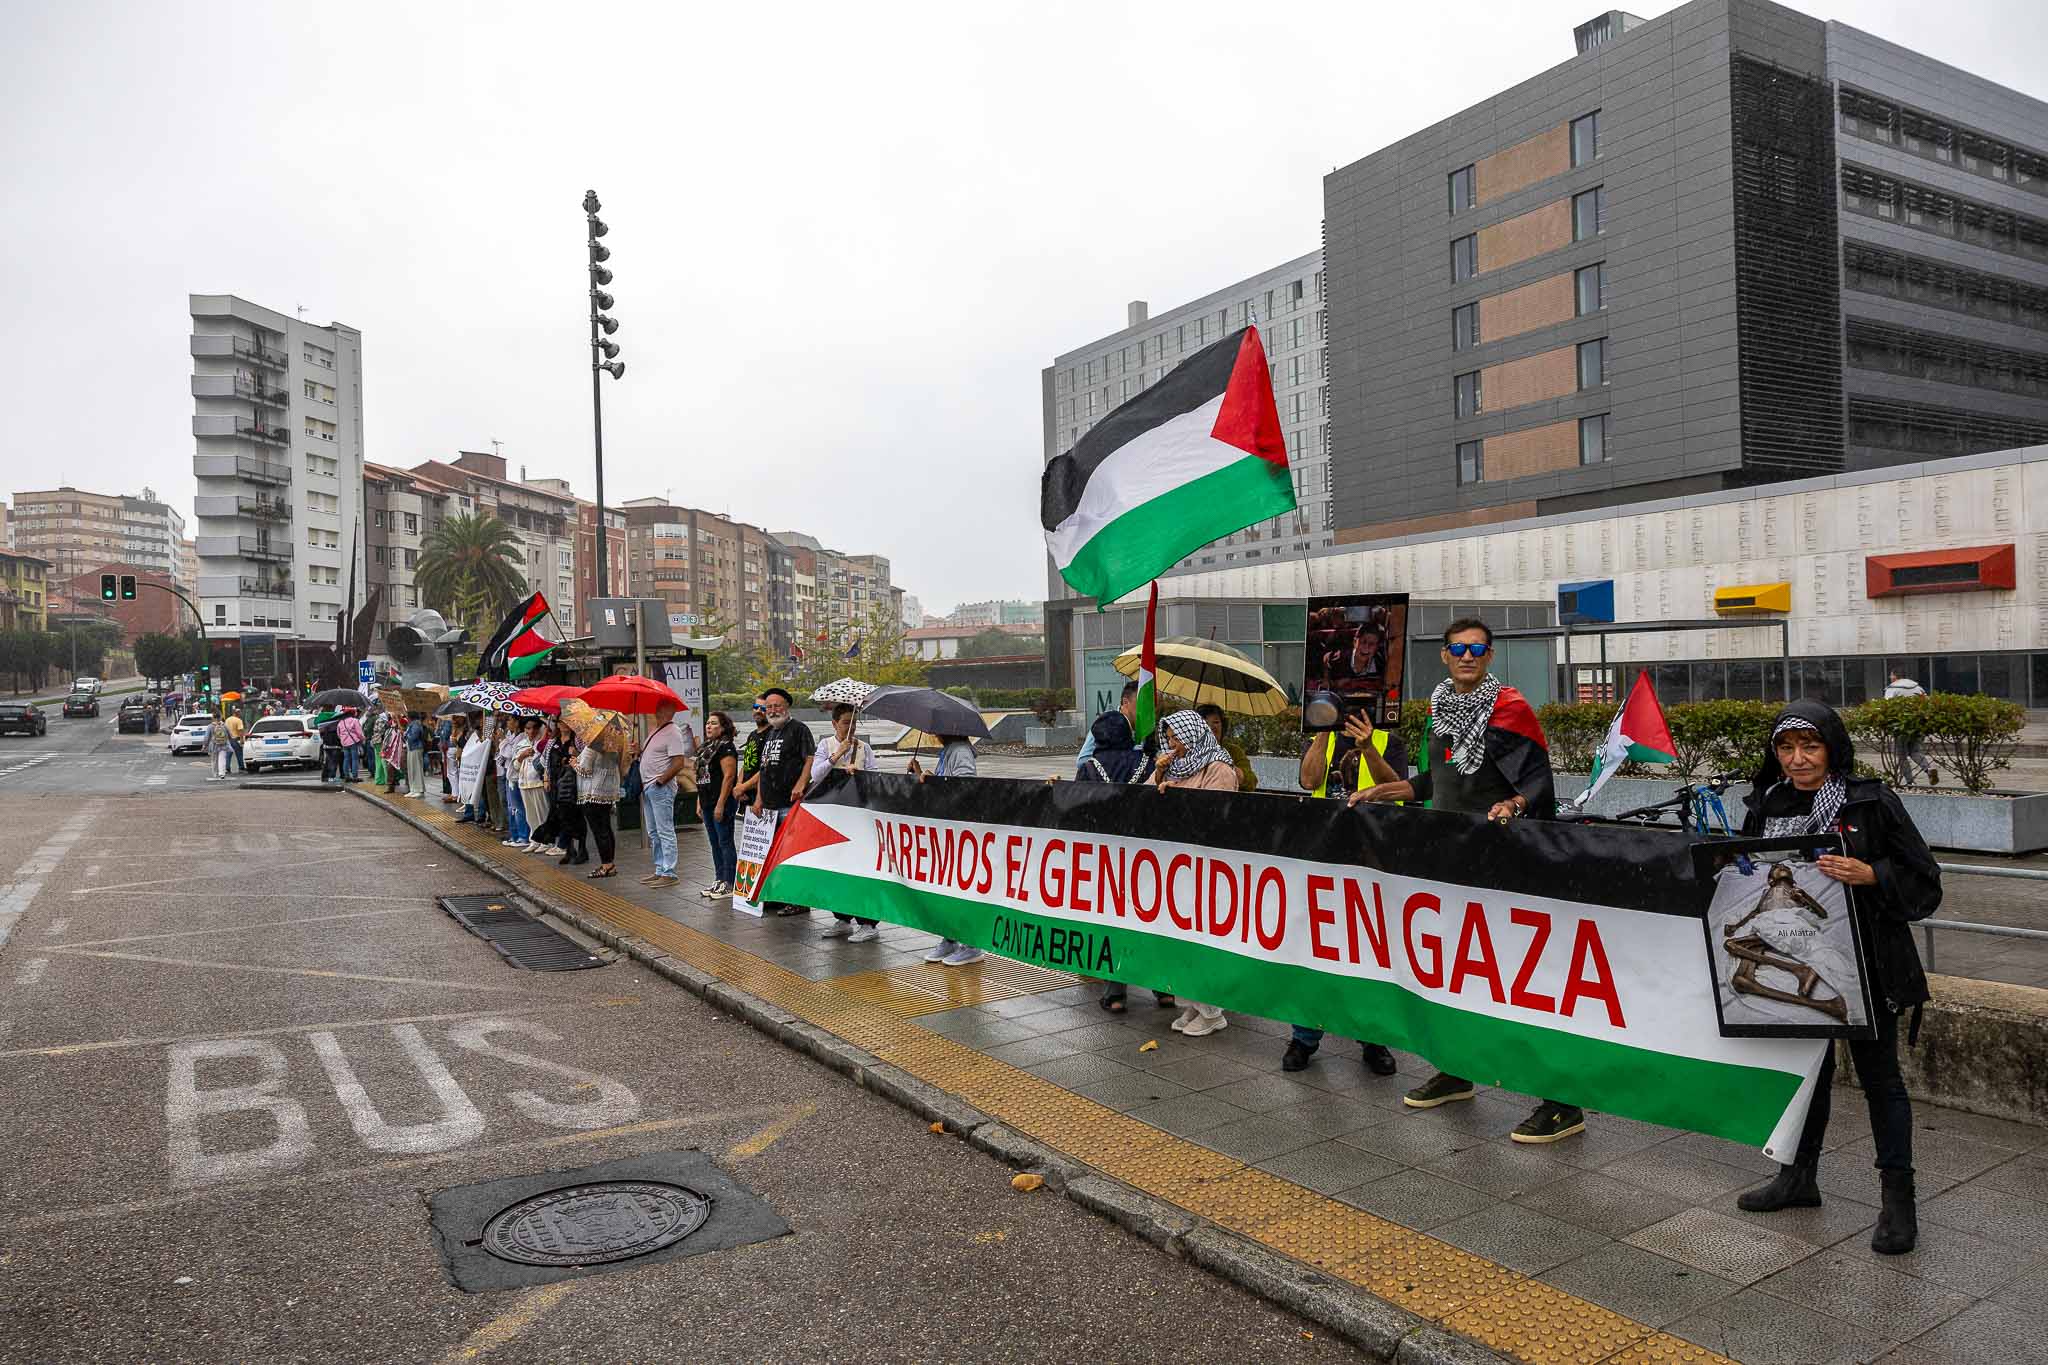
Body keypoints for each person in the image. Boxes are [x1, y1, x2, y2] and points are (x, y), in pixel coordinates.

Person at [1353, 618, 1582, 1143]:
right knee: (1458, 974)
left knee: (1526, 982)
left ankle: (1562, 1100)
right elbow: (1440, 782)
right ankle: (1458, 1071)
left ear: (1490, 655)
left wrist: (1515, 803)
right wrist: (1387, 793)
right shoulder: (1439, 709)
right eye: (1458, 647)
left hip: (1508, 865)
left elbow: (1539, 781)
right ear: (1443, 655)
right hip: (1454, 866)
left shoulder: (1510, 708)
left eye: (1477, 649)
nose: (1467, 655)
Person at [1733, 700, 1937, 1256]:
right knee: (1806, 1076)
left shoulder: (1869, 801)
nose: (1797, 760)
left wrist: (1872, 873)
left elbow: (1924, 877)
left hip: (1866, 963)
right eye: (1786, 748)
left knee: (1881, 1082)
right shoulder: (1767, 802)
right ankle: (1798, 1178)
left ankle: (1898, 1201)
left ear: (1832, 748)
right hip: (1791, 953)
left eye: (1810, 746)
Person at [1286, 702, 1404, 1077]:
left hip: (1373, 861)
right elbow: (1308, 780)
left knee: (1369, 953)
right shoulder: (1322, 738)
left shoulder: (1387, 740)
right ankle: (1304, 1037)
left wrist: (1367, 745)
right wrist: (1321, 733)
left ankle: (1373, 1038)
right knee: (1314, 951)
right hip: (1323, 857)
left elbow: (1397, 787)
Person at [1077, 693, 1174, 1016]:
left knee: (1113, 921)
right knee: (1151, 919)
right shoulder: (1149, 763)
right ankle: (1164, 989)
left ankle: (1115, 992)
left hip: (1107, 857)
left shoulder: (1090, 767)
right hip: (1146, 855)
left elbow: (1076, 809)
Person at [1151, 708, 1242, 1037]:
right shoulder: (1173, 767)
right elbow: (1142, 800)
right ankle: (1191, 1003)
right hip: (1178, 867)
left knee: (1202, 938)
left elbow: (1214, 815)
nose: (1173, 744)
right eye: (1170, 738)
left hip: (1208, 868)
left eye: (1178, 737)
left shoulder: (1219, 768)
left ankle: (1212, 1010)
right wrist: (1158, 777)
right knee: (1180, 939)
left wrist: (1177, 797)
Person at [914, 731, 987, 966]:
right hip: (948, 828)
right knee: (947, 886)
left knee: (960, 887)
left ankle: (972, 944)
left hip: (959, 829)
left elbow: (964, 787)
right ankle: (950, 938)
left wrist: (934, 781)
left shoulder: (960, 751)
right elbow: (945, 784)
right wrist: (922, 773)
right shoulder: (949, 751)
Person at [814, 704, 883, 942]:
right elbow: (816, 775)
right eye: (845, 722)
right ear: (834, 724)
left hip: (859, 817)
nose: (850, 727)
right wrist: (837, 755)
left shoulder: (864, 748)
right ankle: (842, 918)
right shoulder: (826, 745)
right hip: (834, 817)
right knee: (836, 868)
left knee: (861, 869)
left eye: (854, 723)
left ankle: (868, 922)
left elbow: (876, 778)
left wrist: (861, 775)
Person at [750, 688, 817, 916]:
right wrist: (758, 798)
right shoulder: (769, 734)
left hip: (790, 804)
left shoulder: (798, 729)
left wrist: (801, 783)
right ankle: (779, 896)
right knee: (773, 854)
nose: (772, 710)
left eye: (777, 705)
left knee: (792, 853)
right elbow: (763, 769)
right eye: (768, 707)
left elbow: (810, 757)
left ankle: (798, 899)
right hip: (768, 806)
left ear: (787, 707)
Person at [637, 697, 692, 889]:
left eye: (665, 706)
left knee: (664, 830)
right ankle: (660, 868)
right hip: (650, 786)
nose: (659, 709)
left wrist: (662, 780)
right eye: (660, 706)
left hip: (659, 786)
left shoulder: (673, 731)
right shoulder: (656, 731)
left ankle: (669, 871)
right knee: (654, 831)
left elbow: (678, 762)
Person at [695, 711, 739, 897]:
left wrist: (720, 804)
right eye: (707, 723)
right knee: (714, 842)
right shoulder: (706, 748)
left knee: (724, 841)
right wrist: (699, 801)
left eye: (713, 723)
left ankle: (730, 881)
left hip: (721, 802)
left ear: (723, 727)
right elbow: (701, 777)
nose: (708, 726)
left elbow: (729, 777)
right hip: (706, 801)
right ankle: (719, 878)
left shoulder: (726, 748)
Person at [576, 722, 623, 878]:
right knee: (606, 828)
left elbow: (585, 769)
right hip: (608, 792)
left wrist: (573, 764)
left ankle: (606, 866)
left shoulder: (592, 745)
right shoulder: (614, 745)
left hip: (592, 792)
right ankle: (610, 863)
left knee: (599, 830)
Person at [1883, 668, 1938, 785]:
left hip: (1901, 726)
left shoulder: (1892, 689)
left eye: (1891, 675)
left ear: (1895, 676)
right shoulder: (1918, 688)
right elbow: (1926, 703)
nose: (1890, 677)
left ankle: (1910, 782)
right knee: (1915, 751)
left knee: (1901, 756)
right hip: (1917, 725)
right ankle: (1928, 769)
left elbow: (1886, 707)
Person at [1196, 703, 1258, 792]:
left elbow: (1251, 782)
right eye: (1205, 723)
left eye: (1216, 722)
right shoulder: (1187, 750)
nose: (1210, 727)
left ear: (1223, 726)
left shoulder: (1234, 751)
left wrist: (1229, 768)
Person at [498, 715, 530, 849]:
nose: (507, 722)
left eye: (510, 720)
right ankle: (515, 835)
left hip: (516, 776)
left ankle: (523, 836)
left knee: (518, 807)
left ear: (517, 722)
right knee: (511, 807)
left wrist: (502, 740)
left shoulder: (522, 737)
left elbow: (511, 754)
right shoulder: (511, 735)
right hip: (509, 773)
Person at [404, 712, 429, 799]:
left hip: (416, 748)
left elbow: (413, 737)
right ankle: (413, 789)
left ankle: (419, 790)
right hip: (411, 748)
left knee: (417, 769)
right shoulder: (412, 724)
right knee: (412, 769)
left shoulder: (416, 724)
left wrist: (405, 734)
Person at [337, 708, 365, 784]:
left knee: (346, 759)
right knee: (354, 759)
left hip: (344, 743)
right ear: (352, 713)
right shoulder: (355, 721)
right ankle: (355, 776)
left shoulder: (341, 722)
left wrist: (343, 740)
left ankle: (346, 776)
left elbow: (339, 734)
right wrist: (362, 739)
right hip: (353, 742)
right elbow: (359, 733)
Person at [318, 709, 345, 784]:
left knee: (328, 762)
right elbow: (340, 736)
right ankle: (331, 777)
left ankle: (325, 777)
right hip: (335, 746)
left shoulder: (325, 725)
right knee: (334, 762)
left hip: (327, 746)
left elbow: (322, 735)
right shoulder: (338, 725)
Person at [205, 712, 232, 781]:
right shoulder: (224, 725)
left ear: (213, 718)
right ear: (220, 717)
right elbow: (230, 735)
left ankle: (215, 774)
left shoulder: (210, 726)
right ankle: (222, 773)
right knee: (222, 759)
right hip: (224, 745)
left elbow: (207, 737)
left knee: (214, 760)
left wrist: (205, 745)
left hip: (214, 745)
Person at [223, 708, 246, 775]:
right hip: (236, 739)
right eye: (240, 712)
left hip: (228, 739)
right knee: (239, 754)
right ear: (237, 713)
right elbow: (240, 731)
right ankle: (241, 768)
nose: (241, 714)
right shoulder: (239, 720)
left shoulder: (227, 720)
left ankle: (227, 768)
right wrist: (242, 740)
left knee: (228, 755)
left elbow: (225, 729)